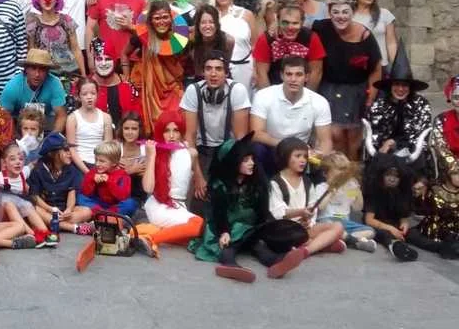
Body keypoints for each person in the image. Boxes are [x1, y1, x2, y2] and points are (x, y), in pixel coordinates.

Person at [188, 134, 308, 282]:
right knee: (230, 244)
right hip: (225, 227)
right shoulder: (220, 185)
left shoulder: (255, 183)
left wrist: (273, 231)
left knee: (258, 244)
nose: (252, 163)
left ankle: (276, 262)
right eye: (245, 160)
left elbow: (262, 212)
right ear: (233, 162)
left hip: (249, 228)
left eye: (252, 159)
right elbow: (219, 213)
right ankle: (229, 264)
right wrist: (224, 232)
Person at [313, 0, 382, 160]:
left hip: (356, 90)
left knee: (353, 137)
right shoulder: (321, 28)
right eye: (336, 12)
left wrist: (371, 97)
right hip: (329, 87)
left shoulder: (364, 35)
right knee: (334, 133)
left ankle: (353, 170)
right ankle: (336, 169)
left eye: (345, 12)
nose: (340, 16)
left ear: (353, 13)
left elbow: (376, 68)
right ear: (330, 13)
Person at [180, 51, 250, 209]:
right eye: (208, 68)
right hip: (202, 150)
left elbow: (240, 137)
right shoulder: (193, 90)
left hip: (228, 149)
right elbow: (190, 136)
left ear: (226, 73)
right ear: (203, 72)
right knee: (199, 199)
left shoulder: (237, 90)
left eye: (218, 69)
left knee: (227, 196)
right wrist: (198, 176)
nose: (213, 74)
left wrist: (235, 170)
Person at [134, 111, 203, 255]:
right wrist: (151, 156)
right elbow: (148, 188)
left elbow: (193, 181)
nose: (171, 135)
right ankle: (151, 239)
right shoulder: (155, 152)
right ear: (161, 132)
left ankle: (145, 231)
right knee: (199, 224)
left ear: (181, 131)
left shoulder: (191, 153)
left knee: (193, 238)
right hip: (159, 206)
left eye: (176, 130)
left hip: (178, 206)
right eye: (166, 131)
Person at [250, 57, 332, 177]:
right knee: (257, 149)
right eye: (289, 74)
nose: (293, 79)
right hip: (272, 147)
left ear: (306, 77)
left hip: (302, 155)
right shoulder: (263, 96)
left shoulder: (319, 102)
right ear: (282, 76)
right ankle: (262, 186)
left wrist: (320, 155)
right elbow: (256, 134)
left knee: (322, 163)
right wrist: (289, 146)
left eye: (299, 75)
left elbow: (325, 140)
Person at [121, 1, 190, 136]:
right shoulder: (141, 38)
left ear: (171, 18)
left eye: (165, 17)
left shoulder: (179, 39)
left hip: (172, 90)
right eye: (157, 18)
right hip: (149, 90)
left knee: (174, 125)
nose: (161, 22)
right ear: (151, 21)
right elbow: (124, 54)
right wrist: (126, 78)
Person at [268, 138, 346, 257]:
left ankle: (305, 251)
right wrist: (301, 212)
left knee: (338, 227)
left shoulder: (307, 182)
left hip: (304, 228)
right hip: (285, 230)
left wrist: (309, 221)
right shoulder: (275, 182)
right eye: (298, 156)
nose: (303, 160)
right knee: (335, 240)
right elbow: (278, 212)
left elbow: (312, 206)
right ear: (285, 157)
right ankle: (320, 244)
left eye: (305, 157)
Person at [366, 48, 432, 164]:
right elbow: (375, 134)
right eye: (396, 84)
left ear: (410, 87)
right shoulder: (378, 105)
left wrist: (396, 143)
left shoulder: (421, 104)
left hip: (412, 153)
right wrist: (385, 145)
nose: (400, 89)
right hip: (383, 152)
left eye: (405, 85)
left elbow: (421, 136)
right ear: (390, 86)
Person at [85, 0, 147, 73]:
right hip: (105, 59)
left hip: (131, 60)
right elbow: (90, 29)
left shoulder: (140, 1)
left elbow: (146, 33)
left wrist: (131, 26)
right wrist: (90, 58)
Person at [27, 132, 93, 235]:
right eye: (66, 150)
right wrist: (50, 209)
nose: (70, 153)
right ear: (52, 153)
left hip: (63, 211)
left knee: (87, 211)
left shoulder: (71, 169)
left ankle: (53, 224)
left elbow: (72, 192)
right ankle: (73, 228)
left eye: (69, 150)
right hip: (46, 209)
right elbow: (34, 196)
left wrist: (69, 209)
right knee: (32, 209)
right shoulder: (39, 169)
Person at [0, 141, 55, 246]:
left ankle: (45, 233)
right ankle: (32, 235)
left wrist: (43, 148)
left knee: (28, 205)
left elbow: (33, 163)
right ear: (4, 163)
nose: (18, 162)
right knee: (9, 203)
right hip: (0, 216)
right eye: (12, 159)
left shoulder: (24, 173)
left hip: (18, 214)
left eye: (20, 159)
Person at [253, 1, 325, 90]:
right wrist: (268, 97)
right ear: (278, 21)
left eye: (295, 23)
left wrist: (307, 96)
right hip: (273, 88)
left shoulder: (311, 38)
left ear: (302, 23)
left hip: (303, 89)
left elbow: (316, 72)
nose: (290, 27)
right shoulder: (267, 38)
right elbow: (261, 73)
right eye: (285, 23)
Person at [363, 152, 421, 261]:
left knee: (413, 234)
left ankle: (440, 247)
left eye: (396, 176)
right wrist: (391, 229)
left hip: (395, 225)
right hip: (378, 225)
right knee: (384, 234)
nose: (392, 179)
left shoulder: (402, 193)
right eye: (388, 175)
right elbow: (369, 220)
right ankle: (396, 247)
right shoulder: (374, 191)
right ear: (382, 175)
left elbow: (403, 215)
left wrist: (404, 223)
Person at [316, 152, 378, 252]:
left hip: (345, 221)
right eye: (336, 174)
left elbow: (358, 207)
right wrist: (331, 191)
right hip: (327, 220)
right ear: (325, 174)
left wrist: (358, 191)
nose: (340, 177)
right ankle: (355, 241)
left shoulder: (348, 188)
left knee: (370, 231)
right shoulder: (322, 187)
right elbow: (320, 207)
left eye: (343, 172)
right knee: (333, 228)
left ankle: (344, 239)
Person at [27, 0, 85, 81]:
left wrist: (83, 76)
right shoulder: (33, 23)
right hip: (45, 75)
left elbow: (75, 49)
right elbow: (31, 51)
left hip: (69, 73)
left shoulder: (66, 20)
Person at [0, 49, 68, 133]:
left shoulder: (55, 83)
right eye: (33, 68)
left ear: (47, 71)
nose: (37, 74)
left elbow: (61, 116)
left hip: (46, 121)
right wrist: (15, 137)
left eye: (42, 69)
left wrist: (53, 137)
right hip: (17, 124)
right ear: (26, 69)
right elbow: (3, 117)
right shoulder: (12, 87)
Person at [210, 0, 256, 94]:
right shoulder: (210, 16)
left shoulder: (247, 14)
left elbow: (255, 45)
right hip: (218, 69)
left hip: (245, 68)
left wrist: (256, 70)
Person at [349, 0, 398, 72]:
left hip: (381, 65)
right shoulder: (349, 15)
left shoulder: (384, 14)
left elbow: (391, 43)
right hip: (356, 65)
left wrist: (396, 66)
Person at [414, 158, 459, 259]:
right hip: (434, 232)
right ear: (447, 174)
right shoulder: (434, 190)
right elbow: (424, 209)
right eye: (456, 173)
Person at [90, 40, 142, 128]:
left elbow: (137, 121)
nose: (103, 63)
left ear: (114, 60)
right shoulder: (84, 87)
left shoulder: (128, 86)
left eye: (108, 59)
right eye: (99, 59)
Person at [66, 78, 112, 172]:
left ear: (97, 95)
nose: (89, 97)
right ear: (78, 96)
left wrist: (102, 168)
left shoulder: (106, 117)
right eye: (85, 94)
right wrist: (87, 172)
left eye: (93, 93)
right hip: (79, 164)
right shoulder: (72, 118)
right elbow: (72, 149)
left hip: (101, 164)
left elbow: (108, 147)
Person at [78, 141, 136, 216]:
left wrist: (109, 182)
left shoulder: (123, 176)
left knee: (130, 203)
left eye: (102, 161)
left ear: (114, 163)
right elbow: (85, 192)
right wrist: (92, 180)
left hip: (115, 205)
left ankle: (105, 214)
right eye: (96, 160)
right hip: (99, 203)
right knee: (80, 197)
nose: (97, 164)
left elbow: (123, 197)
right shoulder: (94, 171)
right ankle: (102, 214)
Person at [186, 5, 235, 82]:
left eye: (212, 22)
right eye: (203, 23)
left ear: (217, 24)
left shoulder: (228, 41)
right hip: (199, 80)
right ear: (197, 25)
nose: (207, 26)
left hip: (221, 80)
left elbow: (226, 66)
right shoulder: (192, 40)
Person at [429, 74, 459, 191]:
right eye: (456, 97)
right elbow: (440, 147)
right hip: (450, 169)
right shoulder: (441, 119)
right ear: (450, 98)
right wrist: (454, 169)